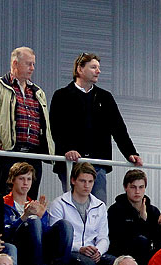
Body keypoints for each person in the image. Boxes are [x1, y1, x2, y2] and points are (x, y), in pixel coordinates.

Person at [49, 52, 141, 200]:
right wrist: (67, 149)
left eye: (98, 67)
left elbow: (118, 128)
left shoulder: (105, 97)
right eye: (93, 67)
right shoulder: (62, 95)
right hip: (71, 163)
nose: (98, 71)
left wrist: (131, 153)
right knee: (72, 205)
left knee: (98, 205)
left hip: (98, 163)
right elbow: (56, 127)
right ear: (80, 69)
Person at [0, 47, 54, 199]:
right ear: (15, 64)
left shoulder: (38, 92)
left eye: (33, 64)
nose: (32, 68)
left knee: (29, 198)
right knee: (3, 198)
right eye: (28, 64)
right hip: (8, 153)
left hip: (33, 155)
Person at [47, 163, 113, 265]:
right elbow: (57, 239)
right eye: (83, 181)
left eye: (90, 181)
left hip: (93, 251)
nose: (87, 186)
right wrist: (80, 248)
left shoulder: (100, 205)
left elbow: (103, 237)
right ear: (73, 180)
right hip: (70, 252)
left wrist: (98, 251)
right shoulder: (59, 204)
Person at [0, 162, 65, 265]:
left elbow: (44, 235)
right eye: (21, 179)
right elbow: (5, 234)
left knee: (64, 225)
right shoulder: (2, 203)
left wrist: (42, 216)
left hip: (37, 248)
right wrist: (25, 216)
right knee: (33, 220)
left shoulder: (35, 205)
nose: (25, 183)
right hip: (17, 246)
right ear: (12, 180)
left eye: (29, 179)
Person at [105, 171, 161, 265]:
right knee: (141, 242)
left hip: (146, 255)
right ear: (125, 188)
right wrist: (142, 221)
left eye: (141, 187)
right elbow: (119, 239)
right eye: (133, 187)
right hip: (122, 253)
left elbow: (160, 242)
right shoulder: (115, 210)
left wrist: (159, 225)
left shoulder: (153, 211)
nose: (137, 192)